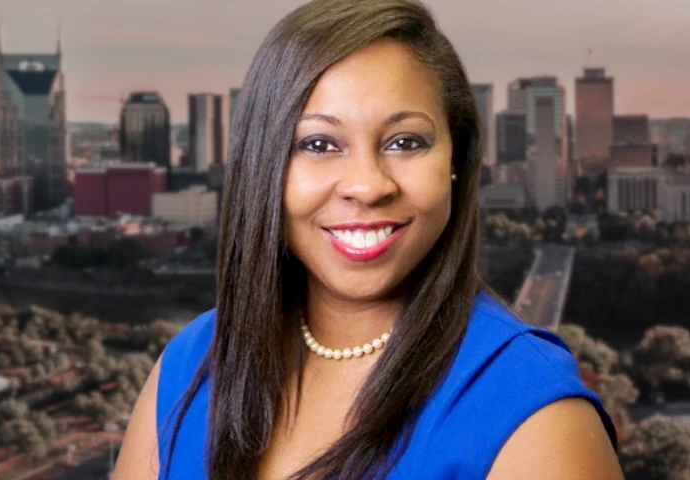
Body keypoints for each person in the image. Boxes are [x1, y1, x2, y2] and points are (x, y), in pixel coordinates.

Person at [114, 0, 624, 478]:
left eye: (405, 142)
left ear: (456, 160)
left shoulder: (534, 412)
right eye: (318, 144)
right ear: (262, 165)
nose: (367, 185)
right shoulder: (188, 367)